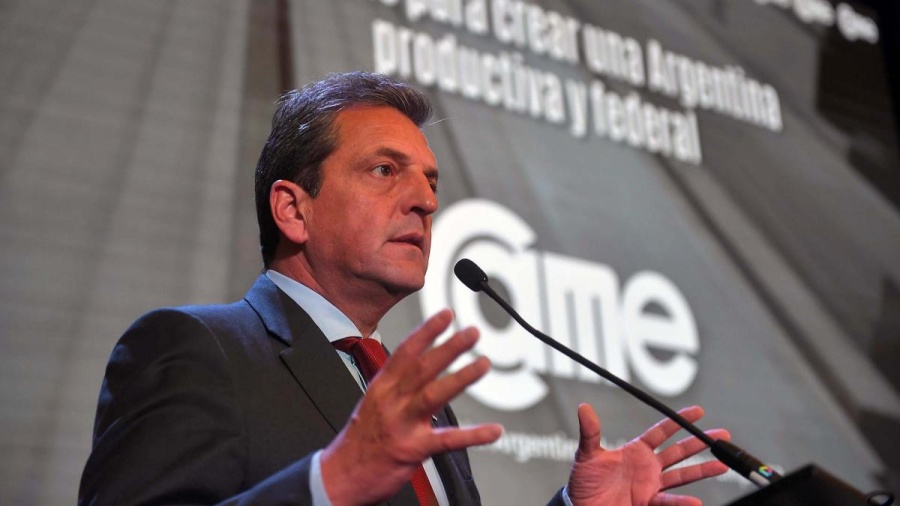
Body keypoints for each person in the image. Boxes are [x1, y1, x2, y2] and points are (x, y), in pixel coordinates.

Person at [79, 72, 729, 506]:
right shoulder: (198, 348)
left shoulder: (411, 397)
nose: (424, 200)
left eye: (430, 181)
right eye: (385, 170)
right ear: (293, 210)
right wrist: (328, 484)